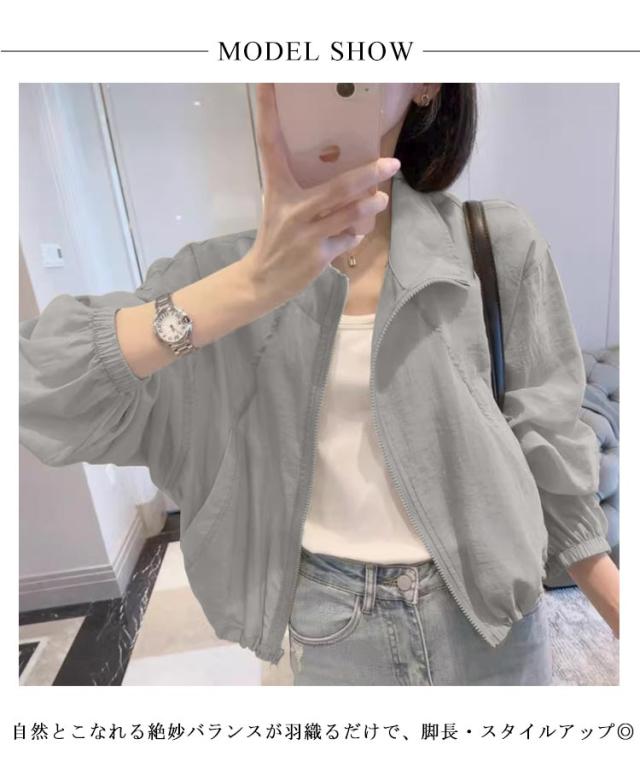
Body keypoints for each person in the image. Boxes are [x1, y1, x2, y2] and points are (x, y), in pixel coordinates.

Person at [19, 83, 620, 685]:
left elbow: (548, 439)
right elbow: (41, 388)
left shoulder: (495, 244)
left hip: (493, 613)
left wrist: (614, 601)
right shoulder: (213, 276)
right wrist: (248, 286)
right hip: (332, 625)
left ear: (427, 83)